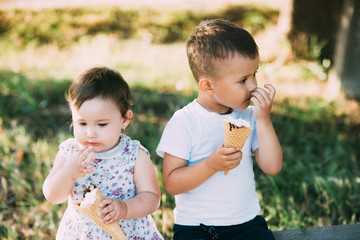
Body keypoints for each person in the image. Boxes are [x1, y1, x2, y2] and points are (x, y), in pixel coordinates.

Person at [156, 19, 283, 240]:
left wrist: (264, 120)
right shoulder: (185, 121)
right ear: (208, 86)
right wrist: (211, 165)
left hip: (246, 223)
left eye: (255, 74)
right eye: (243, 80)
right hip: (196, 227)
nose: (253, 86)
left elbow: (272, 167)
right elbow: (172, 183)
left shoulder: (250, 117)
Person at [43, 66, 164, 240]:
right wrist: (68, 173)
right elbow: (52, 195)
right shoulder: (70, 153)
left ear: (124, 119)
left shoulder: (134, 155)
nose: (90, 133)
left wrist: (125, 208)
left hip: (128, 233)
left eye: (101, 124)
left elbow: (152, 197)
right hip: (82, 234)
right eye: (82, 123)